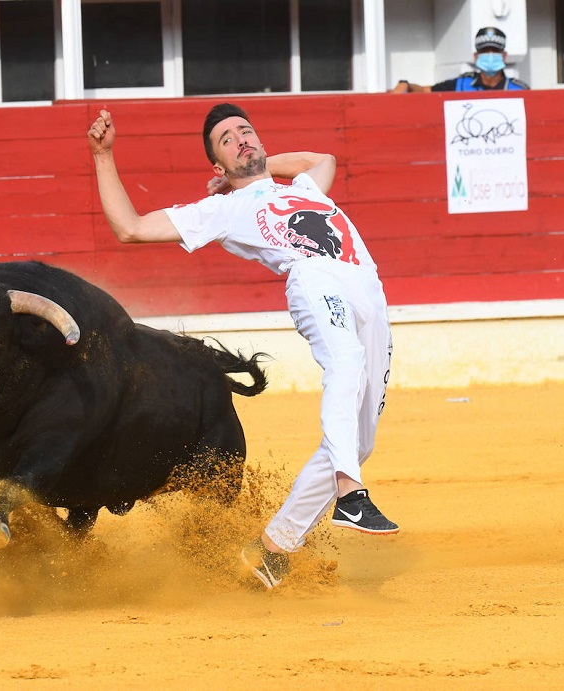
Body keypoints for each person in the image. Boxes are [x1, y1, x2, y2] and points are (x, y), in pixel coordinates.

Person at [87, 103, 398, 590]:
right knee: (346, 366)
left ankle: (272, 550)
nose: (241, 140)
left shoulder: (302, 189)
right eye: (227, 141)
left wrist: (259, 162)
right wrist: (103, 156)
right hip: (314, 280)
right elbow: (131, 227)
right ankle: (348, 492)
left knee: (359, 441)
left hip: (369, 290)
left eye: (246, 132)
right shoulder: (223, 209)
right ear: (216, 166)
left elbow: (323, 158)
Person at [392, 26, 529, 93]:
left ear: (504, 56)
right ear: (476, 57)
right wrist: (406, 85)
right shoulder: (461, 84)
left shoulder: (519, 89)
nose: (490, 55)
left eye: (495, 51)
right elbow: (425, 91)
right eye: (485, 51)